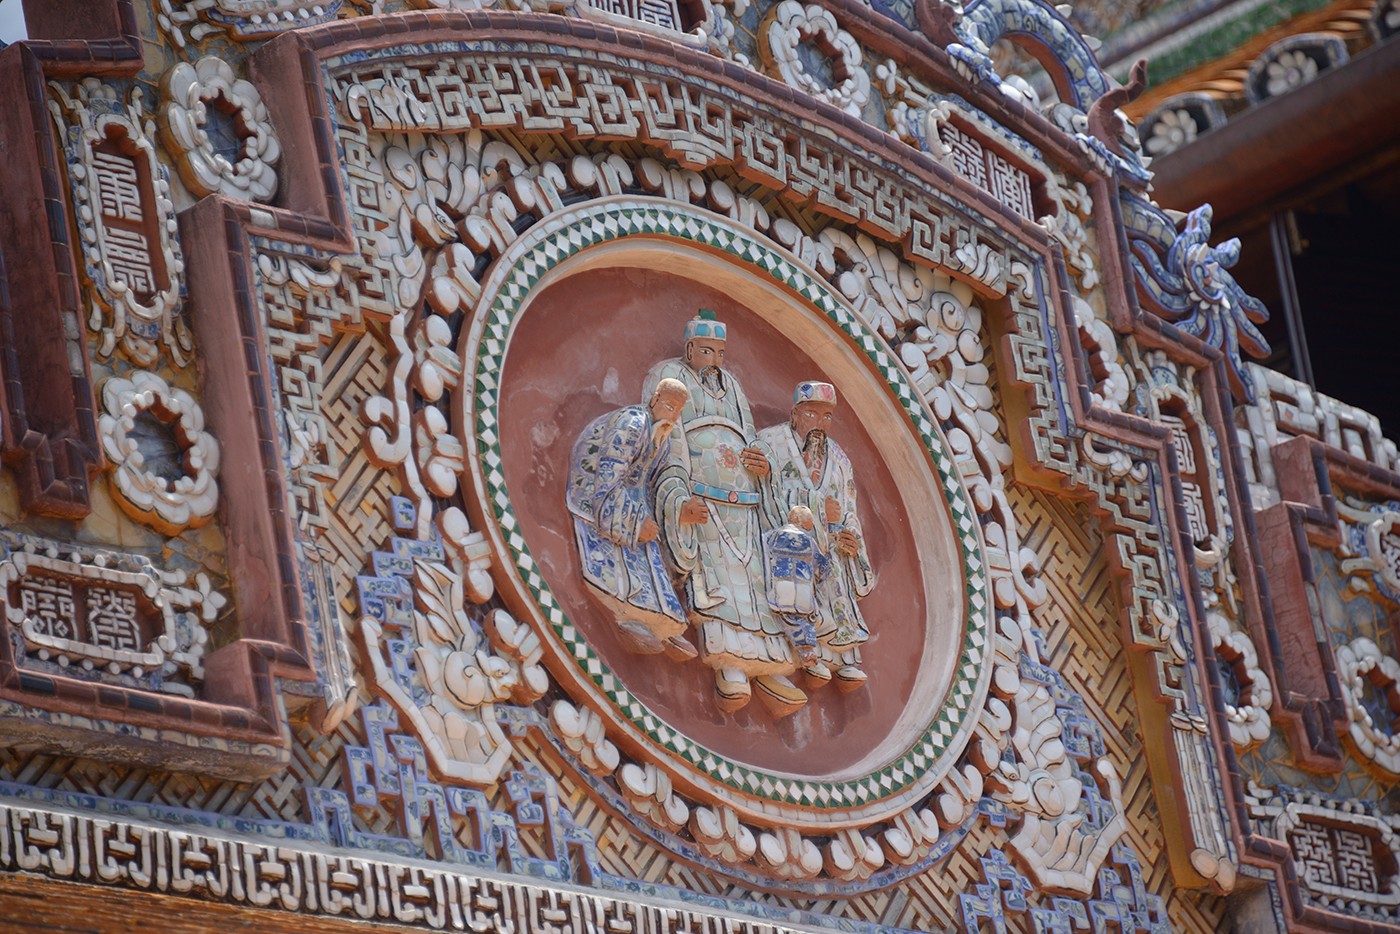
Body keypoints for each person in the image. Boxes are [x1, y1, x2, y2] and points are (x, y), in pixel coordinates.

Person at [644, 311, 809, 716]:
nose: (715, 360)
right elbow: (669, 437)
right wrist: (678, 496)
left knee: (755, 581)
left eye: (720, 352)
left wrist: (761, 462)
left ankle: (769, 667)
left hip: (744, 500)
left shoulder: (731, 384)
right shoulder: (670, 375)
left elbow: (750, 436)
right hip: (704, 495)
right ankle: (730, 665)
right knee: (717, 583)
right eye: (706, 351)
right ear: (689, 349)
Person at [566, 378, 697, 660]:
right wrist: (635, 522)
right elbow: (608, 477)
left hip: (631, 498)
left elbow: (646, 480)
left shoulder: (662, 436)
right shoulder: (632, 425)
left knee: (650, 552)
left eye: (679, 410)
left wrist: (645, 518)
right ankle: (631, 621)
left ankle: (667, 624)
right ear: (654, 399)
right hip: (597, 496)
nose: (674, 415)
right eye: (669, 406)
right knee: (621, 560)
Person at [757, 381, 875, 690]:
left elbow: (848, 507)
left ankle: (841, 657)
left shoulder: (839, 459)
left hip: (830, 545)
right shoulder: (771, 442)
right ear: (795, 414)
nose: (820, 423)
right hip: (789, 538)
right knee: (796, 574)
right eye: (811, 414)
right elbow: (764, 490)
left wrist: (851, 537)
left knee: (835, 573)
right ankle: (805, 650)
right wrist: (818, 508)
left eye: (827, 417)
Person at [761, 505, 827, 668]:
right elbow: (822, 568)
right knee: (805, 618)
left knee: (787, 615)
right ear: (805, 522)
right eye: (810, 520)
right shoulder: (809, 540)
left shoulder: (773, 535)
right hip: (802, 587)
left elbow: (763, 553)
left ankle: (800, 648)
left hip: (780, 585)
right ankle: (806, 649)